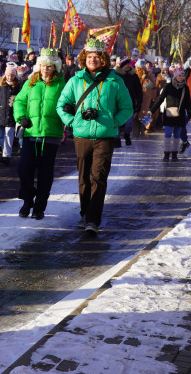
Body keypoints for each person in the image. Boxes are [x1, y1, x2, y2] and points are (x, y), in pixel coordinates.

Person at [56, 35, 133, 235]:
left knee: (97, 176)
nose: (93, 60)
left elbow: (127, 108)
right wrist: (72, 121)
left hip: (105, 136)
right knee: (83, 177)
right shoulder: (75, 80)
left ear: (103, 59)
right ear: (84, 58)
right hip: (81, 135)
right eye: (89, 56)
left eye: (97, 56)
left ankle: (93, 219)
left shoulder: (114, 81)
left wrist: (114, 121)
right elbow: (61, 105)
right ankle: (84, 212)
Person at [13, 48, 65, 219]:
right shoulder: (31, 82)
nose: (45, 69)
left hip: (51, 135)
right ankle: (28, 200)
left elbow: (68, 103)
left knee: (45, 173)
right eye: (43, 65)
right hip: (31, 133)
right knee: (24, 169)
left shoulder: (61, 84)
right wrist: (21, 117)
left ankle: (39, 207)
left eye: (49, 66)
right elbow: (19, 101)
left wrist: (66, 115)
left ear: (55, 67)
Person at [150, 66, 191, 161]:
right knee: (168, 134)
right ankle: (166, 154)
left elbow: (188, 103)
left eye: (183, 75)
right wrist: (152, 110)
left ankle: (174, 154)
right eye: (180, 75)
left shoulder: (185, 88)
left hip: (180, 115)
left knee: (177, 136)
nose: (182, 77)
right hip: (169, 115)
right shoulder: (168, 86)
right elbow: (160, 99)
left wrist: (190, 116)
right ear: (175, 76)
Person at [115, 58, 143, 146]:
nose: (128, 66)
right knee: (117, 122)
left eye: (129, 64)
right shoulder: (116, 75)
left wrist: (138, 105)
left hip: (129, 103)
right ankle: (117, 139)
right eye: (126, 64)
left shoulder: (134, 76)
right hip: (117, 103)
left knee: (129, 122)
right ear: (122, 66)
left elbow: (139, 91)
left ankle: (127, 134)